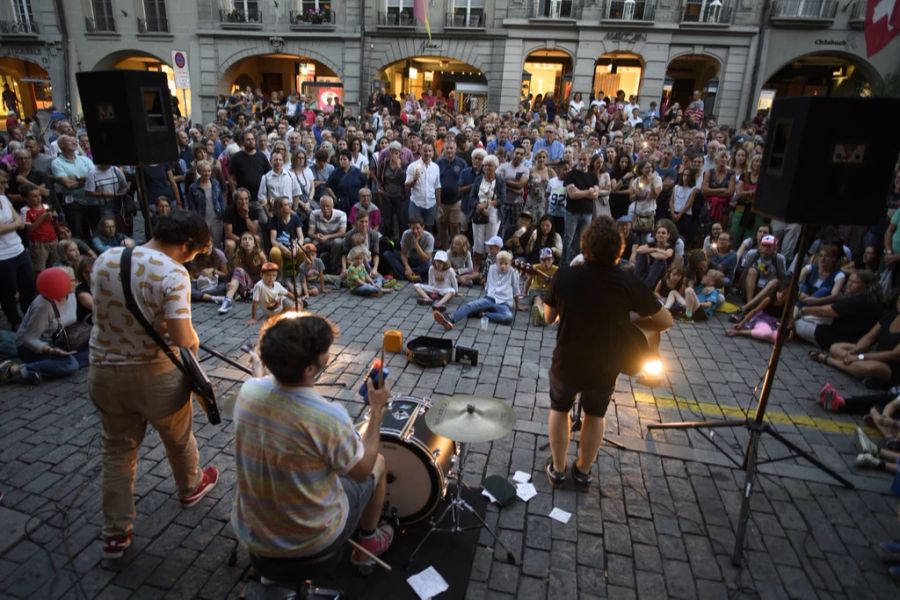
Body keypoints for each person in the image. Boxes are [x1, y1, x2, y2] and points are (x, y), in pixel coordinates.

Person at [88, 211, 219, 558]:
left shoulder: (105, 258)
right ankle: (191, 485)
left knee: (116, 451)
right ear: (186, 245)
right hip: (155, 375)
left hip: (105, 371)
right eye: (196, 252)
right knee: (177, 436)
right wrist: (193, 338)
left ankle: (116, 534)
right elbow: (182, 338)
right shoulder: (173, 273)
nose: (194, 260)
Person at [232, 314, 394, 577]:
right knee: (377, 463)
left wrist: (257, 364)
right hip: (309, 539)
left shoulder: (248, 392)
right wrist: (376, 409)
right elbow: (361, 471)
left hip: (252, 529)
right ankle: (368, 542)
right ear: (309, 369)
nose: (328, 355)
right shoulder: (328, 416)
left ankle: (270, 575)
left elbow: (260, 380)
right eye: (325, 352)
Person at [542, 217, 673, 489]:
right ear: (619, 249)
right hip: (605, 363)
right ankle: (583, 471)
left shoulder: (565, 275)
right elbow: (665, 321)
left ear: (585, 245)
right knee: (595, 414)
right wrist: (634, 321)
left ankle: (557, 468)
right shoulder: (626, 281)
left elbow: (548, 317)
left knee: (559, 407)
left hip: (568, 358)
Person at [0, 268, 89, 385]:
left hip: (58, 339)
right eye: (73, 280)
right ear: (61, 284)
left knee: (93, 351)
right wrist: (50, 350)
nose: (76, 282)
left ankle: (44, 368)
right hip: (34, 346)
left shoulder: (71, 295)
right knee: (71, 365)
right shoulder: (43, 305)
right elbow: (29, 339)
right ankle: (15, 370)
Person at [810, 291, 900, 388]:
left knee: (870, 367)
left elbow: (894, 355)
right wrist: (856, 350)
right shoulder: (891, 316)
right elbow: (869, 337)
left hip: (891, 365)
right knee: (835, 347)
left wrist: (860, 357)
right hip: (873, 353)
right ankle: (856, 369)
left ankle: (830, 360)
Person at [433, 250, 522, 329]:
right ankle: (450, 318)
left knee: (508, 317)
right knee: (471, 305)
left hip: (504, 303)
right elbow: (488, 285)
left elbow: (516, 289)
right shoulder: (492, 268)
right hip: (490, 298)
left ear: (510, 263)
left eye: (506, 264)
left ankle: (482, 314)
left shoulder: (513, 272)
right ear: (496, 262)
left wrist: (518, 305)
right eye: (500, 263)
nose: (503, 266)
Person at [0, 170, 36, 329]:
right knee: (7, 292)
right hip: (2, 256)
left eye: (5, 182)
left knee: (28, 287)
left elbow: (20, 223)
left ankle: (30, 318)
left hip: (18, 249)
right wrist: (13, 224)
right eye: (1, 183)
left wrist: (9, 226)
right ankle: (15, 322)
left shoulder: (3, 197)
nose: (5, 186)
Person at [563, 150, 599, 263]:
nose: (582, 162)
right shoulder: (571, 174)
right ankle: (564, 263)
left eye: (585, 160)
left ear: (589, 161)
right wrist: (589, 191)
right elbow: (572, 195)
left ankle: (578, 263)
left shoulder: (593, 175)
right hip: (572, 212)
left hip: (587, 212)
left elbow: (596, 195)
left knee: (582, 240)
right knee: (568, 239)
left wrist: (581, 192)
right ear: (576, 159)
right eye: (580, 159)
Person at [383, 216, 434, 281]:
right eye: (413, 228)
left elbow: (426, 259)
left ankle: (406, 275)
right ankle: (410, 275)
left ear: (422, 227)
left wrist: (416, 244)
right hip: (409, 259)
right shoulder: (406, 234)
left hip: (421, 262)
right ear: (410, 227)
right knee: (387, 254)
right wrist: (407, 267)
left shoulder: (429, 238)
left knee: (428, 265)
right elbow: (403, 253)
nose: (415, 231)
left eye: (418, 228)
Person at [308, 194, 347, 274]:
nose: (325, 209)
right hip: (319, 239)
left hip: (333, 239)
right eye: (323, 206)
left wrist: (327, 236)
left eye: (328, 206)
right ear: (320, 206)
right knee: (308, 241)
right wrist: (316, 236)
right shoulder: (314, 214)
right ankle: (311, 267)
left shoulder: (341, 215)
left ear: (332, 206)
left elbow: (342, 233)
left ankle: (333, 268)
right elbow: (310, 232)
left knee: (338, 242)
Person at [405, 143, 441, 229]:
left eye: (430, 151)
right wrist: (414, 179)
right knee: (414, 229)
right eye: (425, 151)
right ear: (421, 151)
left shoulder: (436, 167)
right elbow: (407, 185)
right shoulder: (413, 166)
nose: (427, 153)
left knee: (429, 228)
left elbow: (437, 187)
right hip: (416, 204)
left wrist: (439, 205)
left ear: (433, 152)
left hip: (431, 204)